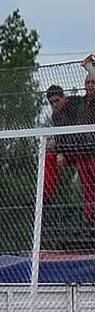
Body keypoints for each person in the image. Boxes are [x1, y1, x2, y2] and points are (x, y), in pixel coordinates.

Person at [42, 82, 95, 223]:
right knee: (49, 157)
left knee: (88, 184)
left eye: (57, 101)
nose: (54, 105)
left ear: (63, 97)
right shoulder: (56, 116)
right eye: (51, 102)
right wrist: (59, 151)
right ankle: (46, 196)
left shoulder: (76, 103)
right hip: (71, 150)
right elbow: (60, 137)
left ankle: (90, 216)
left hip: (86, 148)